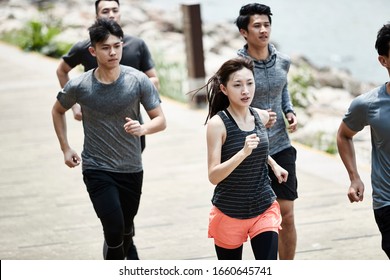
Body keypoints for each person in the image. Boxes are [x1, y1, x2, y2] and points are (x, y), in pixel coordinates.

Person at [51, 18, 166, 260]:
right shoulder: (80, 85)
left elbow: (160, 120)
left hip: (132, 168)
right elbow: (57, 110)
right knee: (113, 229)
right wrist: (65, 147)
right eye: (105, 47)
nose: (113, 52)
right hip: (97, 168)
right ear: (93, 51)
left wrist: (143, 129)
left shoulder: (138, 80)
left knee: (125, 230)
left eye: (117, 45)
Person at [201, 57, 288, 260]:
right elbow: (213, 176)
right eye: (237, 85)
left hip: (263, 205)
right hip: (229, 211)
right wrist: (242, 153)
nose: (245, 91)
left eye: (250, 83)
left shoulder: (260, 116)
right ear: (224, 89)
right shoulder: (217, 125)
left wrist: (274, 164)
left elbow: (257, 148)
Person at [235, 3, 298, 260]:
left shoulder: (283, 60)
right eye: (257, 26)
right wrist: (257, 115)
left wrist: (289, 110)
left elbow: (282, 88)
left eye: (266, 25)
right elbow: (230, 104)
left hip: (281, 145)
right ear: (244, 32)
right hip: (251, 149)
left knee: (287, 214)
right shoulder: (237, 65)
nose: (263, 30)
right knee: (260, 220)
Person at [337, 23, 390, 259]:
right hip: (388, 201)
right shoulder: (368, 105)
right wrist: (354, 177)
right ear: (383, 61)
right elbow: (343, 135)